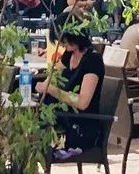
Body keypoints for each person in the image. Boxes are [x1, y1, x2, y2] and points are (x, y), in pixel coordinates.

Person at [37, 13, 105, 155]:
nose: (62, 44)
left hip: (82, 126)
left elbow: (82, 102)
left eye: (64, 40)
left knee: (36, 128)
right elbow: (53, 76)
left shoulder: (93, 61)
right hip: (66, 117)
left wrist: (51, 89)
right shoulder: (69, 55)